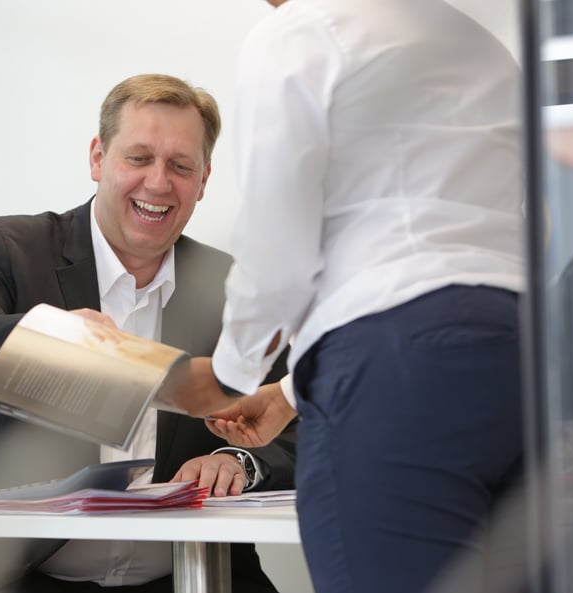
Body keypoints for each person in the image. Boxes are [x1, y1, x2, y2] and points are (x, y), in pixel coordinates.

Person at [182, 1, 528, 593]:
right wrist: (289, 393)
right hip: (524, 361)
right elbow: (451, 255)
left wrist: (231, 373)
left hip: (393, 373)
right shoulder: (481, 45)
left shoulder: (299, 31)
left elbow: (278, 246)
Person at [0, 73, 296, 593]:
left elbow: (301, 416)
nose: (159, 183)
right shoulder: (5, 246)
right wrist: (57, 339)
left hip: (191, 578)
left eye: (181, 166)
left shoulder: (231, 285)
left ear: (203, 180)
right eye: (138, 158)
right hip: (25, 575)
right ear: (98, 158)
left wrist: (237, 460)